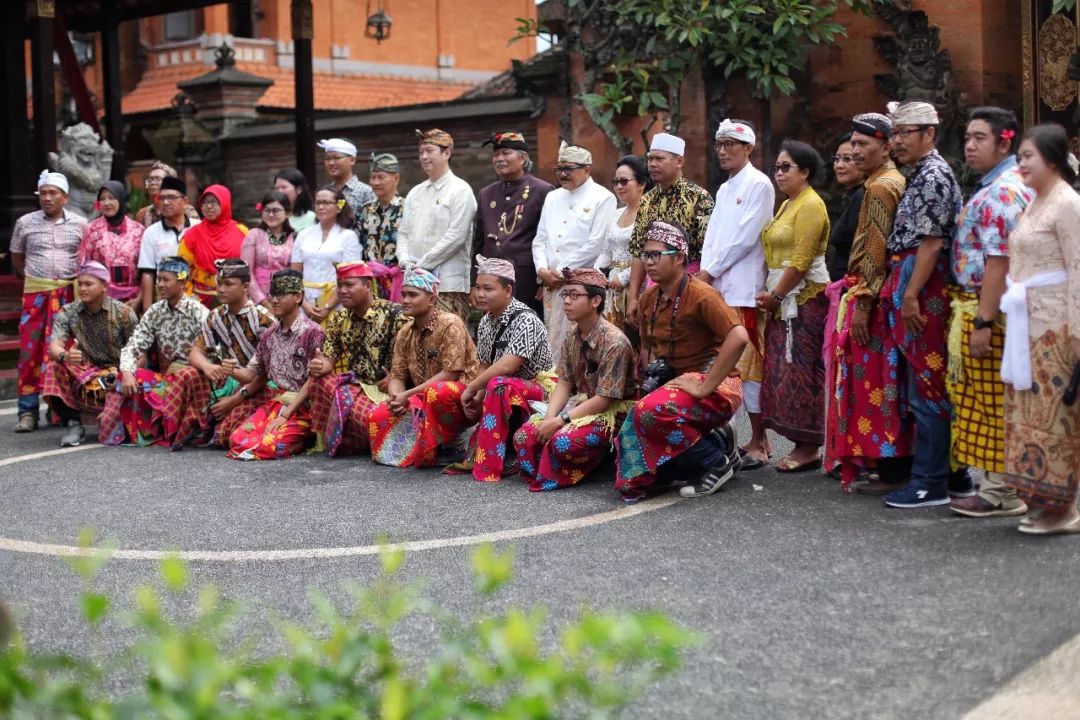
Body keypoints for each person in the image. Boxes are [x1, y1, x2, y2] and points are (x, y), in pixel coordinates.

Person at [615, 221, 749, 503]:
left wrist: (704, 386)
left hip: (716, 384)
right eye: (645, 255)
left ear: (679, 258)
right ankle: (719, 443)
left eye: (656, 255)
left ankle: (716, 463)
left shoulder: (702, 294)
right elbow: (650, 350)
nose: (648, 262)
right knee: (640, 467)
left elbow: (738, 337)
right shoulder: (650, 297)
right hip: (677, 383)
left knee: (649, 411)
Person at [877, 100, 965, 509]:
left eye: (904, 133)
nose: (895, 142)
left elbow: (931, 243)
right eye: (893, 134)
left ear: (929, 133)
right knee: (925, 383)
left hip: (924, 289)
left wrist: (910, 294)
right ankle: (952, 474)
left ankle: (931, 481)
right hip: (913, 280)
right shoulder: (920, 174)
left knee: (928, 387)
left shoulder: (933, 175)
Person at [948, 108, 1033, 519]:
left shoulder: (1002, 190)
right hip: (993, 304)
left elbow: (998, 259)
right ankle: (1002, 485)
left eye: (980, 137)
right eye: (967, 136)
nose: (969, 144)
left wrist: (982, 322)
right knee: (991, 399)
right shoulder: (1006, 183)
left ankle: (1003, 490)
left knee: (993, 401)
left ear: (1005, 142)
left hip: (991, 308)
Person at [824, 112, 913, 492]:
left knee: (877, 383)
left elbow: (875, 251)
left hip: (871, 300)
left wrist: (862, 304)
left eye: (863, 145)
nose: (856, 151)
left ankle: (889, 468)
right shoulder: (886, 180)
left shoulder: (880, 187)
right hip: (878, 295)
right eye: (853, 144)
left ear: (886, 146)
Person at [1002, 124, 1080, 535]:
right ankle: (1041, 499)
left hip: (1057, 327)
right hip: (1026, 327)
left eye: (1028, 155)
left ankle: (1063, 509)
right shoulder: (1035, 203)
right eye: (1019, 156)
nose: (1021, 163)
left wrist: (1076, 331)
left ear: (1052, 159)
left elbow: (1079, 267)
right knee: (1029, 415)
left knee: (1055, 419)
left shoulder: (1067, 204)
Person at [513, 268, 637, 492]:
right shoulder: (573, 334)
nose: (566, 301)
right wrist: (549, 418)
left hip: (614, 411)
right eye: (565, 295)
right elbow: (564, 382)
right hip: (580, 404)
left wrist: (560, 421)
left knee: (562, 442)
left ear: (595, 300)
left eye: (574, 295)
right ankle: (552, 467)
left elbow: (604, 400)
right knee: (524, 437)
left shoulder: (615, 342)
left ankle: (601, 461)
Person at [698, 119, 775, 469]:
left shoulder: (759, 184)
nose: (724, 151)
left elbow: (745, 239)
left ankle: (760, 440)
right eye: (720, 145)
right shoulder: (725, 188)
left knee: (749, 368)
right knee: (724, 367)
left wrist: (709, 272)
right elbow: (713, 239)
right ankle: (729, 439)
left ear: (748, 149)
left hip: (744, 289)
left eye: (731, 144)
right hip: (718, 288)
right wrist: (706, 274)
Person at [444, 256, 556, 482]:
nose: (480, 294)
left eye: (488, 288)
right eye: (477, 288)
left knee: (498, 384)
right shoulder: (486, 322)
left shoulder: (526, 319)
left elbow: (508, 365)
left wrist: (473, 387)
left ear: (508, 291)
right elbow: (485, 365)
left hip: (540, 392)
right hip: (505, 390)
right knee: (470, 389)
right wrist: (476, 396)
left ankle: (489, 467)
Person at [756, 140, 831, 472]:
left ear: (805, 171)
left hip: (805, 299)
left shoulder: (811, 205)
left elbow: (801, 260)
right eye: (776, 168)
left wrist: (774, 297)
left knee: (803, 371)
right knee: (786, 371)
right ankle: (801, 442)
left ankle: (809, 446)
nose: (779, 173)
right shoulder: (789, 204)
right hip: (783, 296)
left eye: (786, 167)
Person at [369, 267, 480, 467]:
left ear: (431, 299)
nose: (405, 300)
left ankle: (452, 443)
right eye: (403, 294)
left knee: (437, 392)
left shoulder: (450, 323)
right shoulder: (404, 331)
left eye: (413, 295)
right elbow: (397, 376)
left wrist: (407, 395)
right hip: (422, 397)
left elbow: (450, 374)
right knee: (379, 415)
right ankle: (424, 446)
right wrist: (396, 398)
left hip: (462, 398)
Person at [167, 259, 277, 449]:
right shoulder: (216, 315)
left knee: (224, 437)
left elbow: (267, 373)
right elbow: (195, 352)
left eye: (228, 284)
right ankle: (191, 427)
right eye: (219, 283)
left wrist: (234, 400)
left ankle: (214, 425)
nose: (221, 289)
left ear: (245, 287)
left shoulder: (264, 320)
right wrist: (208, 366)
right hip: (229, 379)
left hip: (261, 385)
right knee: (188, 374)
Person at [100, 256, 209, 446]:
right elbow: (133, 346)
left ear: (182, 282)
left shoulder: (199, 311)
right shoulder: (155, 311)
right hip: (167, 378)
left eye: (166, 280)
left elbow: (214, 353)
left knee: (185, 375)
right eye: (159, 279)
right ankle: (141, 430)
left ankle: (182, 428)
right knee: (129, 376)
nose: (160, 284)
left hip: (193, 379)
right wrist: (126, 371)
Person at [11, 170, 88, 433]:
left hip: (68, 296)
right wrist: (38, 281)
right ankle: (27, 411)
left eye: (53, 193)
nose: (47, 198)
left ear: (65, 197)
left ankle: (61, 410)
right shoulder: (24, 223)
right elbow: (17, 257)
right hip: (36, 295)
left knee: (64, 351)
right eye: (43, 193)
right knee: (29, 352)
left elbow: (85, 258)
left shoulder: (80, 224)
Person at [306, 261, 406, 456]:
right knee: (319, 381)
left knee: (373, 418)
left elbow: (412, 357)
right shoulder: (338, 318)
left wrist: (397, 377)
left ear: (368, 286)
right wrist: (320, 364)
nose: (342, 291)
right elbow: (329, 359)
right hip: (357, 389)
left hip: (390, 391)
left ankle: (358, 433)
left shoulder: (396, 314)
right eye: (340, 285)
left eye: (349, 285)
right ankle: (362, 433)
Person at [225, 269, 325, 460]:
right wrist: (232, 371)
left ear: (298, 296)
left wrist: (286, 415)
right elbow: (254, 372)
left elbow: (314, 381)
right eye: (273, 295)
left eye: (281, 295)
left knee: (267, 447)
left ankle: (304, 439)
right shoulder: (269, 335)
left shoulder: (313, 333)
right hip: (276, 402)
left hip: (303, 406)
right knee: (236, 440)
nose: (274, 300)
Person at [533, 141, 618, 355]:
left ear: (586, 169)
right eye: (559, 169)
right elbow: (540, 239)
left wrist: (561, 272)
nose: (562, 174)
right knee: (551, 337)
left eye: (568, 169)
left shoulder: (603, 197)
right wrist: (542, 270)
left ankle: (576, 386)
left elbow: (595, 244)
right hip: (550, 282)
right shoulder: (552, 196)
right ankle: (552, 383)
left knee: (577, 340)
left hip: (580, 283)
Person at [40, 262, 137, 447]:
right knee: (53, 368)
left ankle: (115, 415)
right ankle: (73, 424)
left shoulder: (124, 313)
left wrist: (128, 373)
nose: (82, 288)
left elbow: (139, 352)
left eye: (89, 284)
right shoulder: (68, 312)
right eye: (80, 283)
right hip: (86, 376)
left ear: (105, 286)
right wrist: (65, 356)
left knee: (111, 434)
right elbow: (54, 347)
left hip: (118, 377)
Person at [626, 133, 715, 325]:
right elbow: (638, 251)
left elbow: (709, 251)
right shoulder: (647, 201)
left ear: (679, 161)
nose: (652, 164)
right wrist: (633, 297)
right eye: (650, 159)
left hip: (689, 286)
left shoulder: (699, 198)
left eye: (659, 159)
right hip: (652, 287)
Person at [397, 129, 477, 323]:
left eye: (429, 151)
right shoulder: (415, 192)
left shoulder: (460, 190)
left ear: (446, 153)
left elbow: (456, 237)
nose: (424, 157)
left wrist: (422, 264)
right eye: (421, 152)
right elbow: (403, 233)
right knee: (417, 342)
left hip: (447, 284)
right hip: (415, 284)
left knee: (448, 341)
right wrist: (405, 261)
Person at [473, 131, 554, 314]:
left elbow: (549, 239)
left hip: (525, 279)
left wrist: (543, 281)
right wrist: (474, 283)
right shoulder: (486, 194)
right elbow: (478, 242)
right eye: (496, 155)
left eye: (506, 153)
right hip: (490, 280)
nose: (499, 159)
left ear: (523, 158)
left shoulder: (542, 190)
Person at [291, 185, 363, 325]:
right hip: (305, 300)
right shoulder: (303, 234)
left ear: (338, 206)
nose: (321, 207)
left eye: (327, 203)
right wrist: (304, 304)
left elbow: (349, 275)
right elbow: (295, 273)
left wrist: (327, 307)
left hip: (337, 299)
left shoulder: (348, 236)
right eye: (318, 203)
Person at [601, 155, 651, 331]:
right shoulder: (616, 214)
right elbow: (606, 251)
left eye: (624, 181)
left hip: (639, 283)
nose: (619, 187)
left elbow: (648, 253)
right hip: (611, 287)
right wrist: (596, 274)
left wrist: (623, 278)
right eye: (616, 182)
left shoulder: (649, 213)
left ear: (642, 183)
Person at [78, 181, 145, 310]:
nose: (107, 203)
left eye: (112, 198)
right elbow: (83, 265)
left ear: (121, 199)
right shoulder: (92, 230)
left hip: (133, 300)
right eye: (102, 199)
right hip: (100, 298)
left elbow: (146, 269)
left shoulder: (139, 230)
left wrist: (140, 298)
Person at [178, 185, 247, 308]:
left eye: (214, 202)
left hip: (236, 300)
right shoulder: (192, 234)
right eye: (205, 202)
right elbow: (181, 268)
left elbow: (250, 266)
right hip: (200, 301)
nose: (209, 206)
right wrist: (188, 298)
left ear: (225, 203)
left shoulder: (242, 232)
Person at [137, 176, 199, 312]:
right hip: (164, 297)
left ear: (185, 201)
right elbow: (148, 273)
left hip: (197, 296)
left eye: (171, 197)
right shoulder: (151, 232)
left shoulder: (198, 228)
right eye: (162, 197)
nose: (165, 202)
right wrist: (148, 309)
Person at [357, 153, 405, 301]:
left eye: (381, 177)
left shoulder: (408, 208)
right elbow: (360, 246)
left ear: (395, 178)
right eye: (373, 177)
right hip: (371, 281)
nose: (376, 182)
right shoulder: (365, 210)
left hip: (399, 279)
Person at [241, 190, 296, 309]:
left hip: (287, 299)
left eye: (276, 210)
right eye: (267, 210)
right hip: (258, 301)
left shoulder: (295, 237)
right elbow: (246, 271)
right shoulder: (254, 235)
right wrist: (263, 302)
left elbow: (298, 271)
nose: (271, 214)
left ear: (287, 213)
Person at [827, 134, 866, 282]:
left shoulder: (862, 196)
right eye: (836, 159)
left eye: (847, 159)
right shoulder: (851, 196)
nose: (839, 165)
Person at [317, 138, 376, 219]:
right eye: (327, 158)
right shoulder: (325, 192)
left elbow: (371, 226)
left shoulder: (366, 192)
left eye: (336, 158)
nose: (331, 163)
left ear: (352, 160)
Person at [136, 161, 200, 227]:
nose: (152, 183)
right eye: (150, 179)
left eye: (157, 179)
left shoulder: (186, 210)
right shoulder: (143, 214)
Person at [273, 168, 317, 232]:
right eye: (276, 188)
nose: (279, 191)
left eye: (284, 187)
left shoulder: (311, 218)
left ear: (299, 189)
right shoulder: (271, 216)